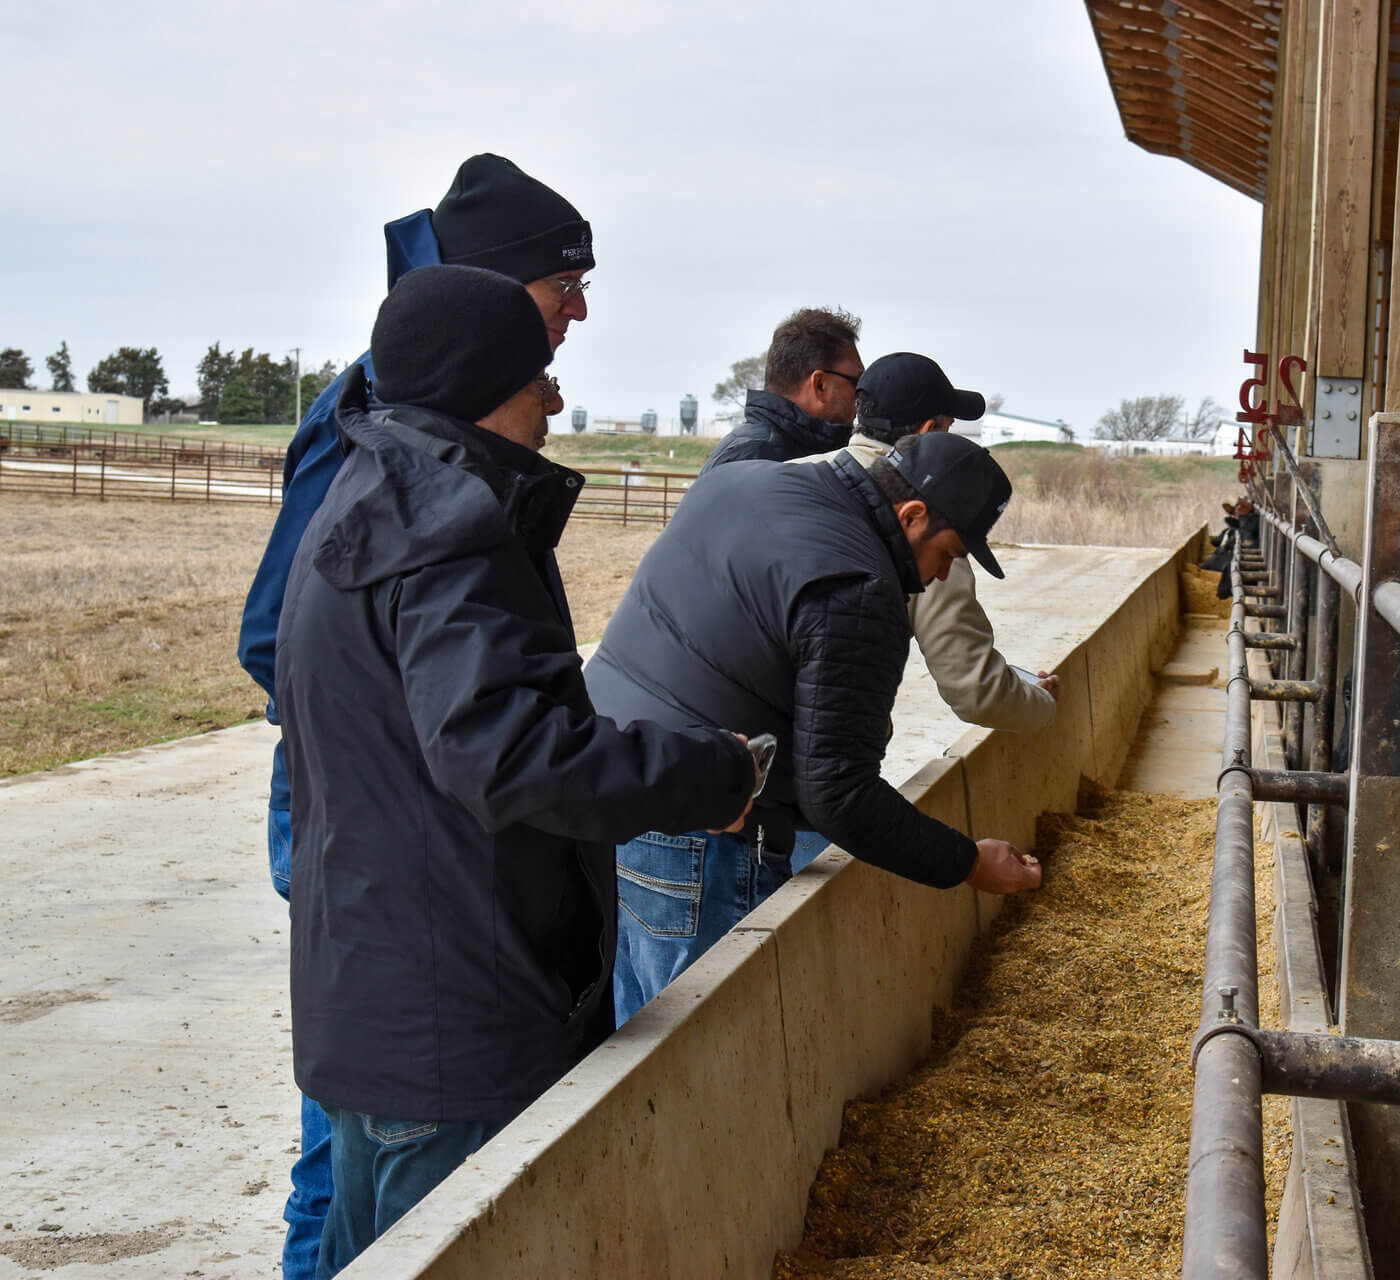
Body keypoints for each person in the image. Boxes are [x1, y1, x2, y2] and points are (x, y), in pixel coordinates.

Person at [276, 266, 756, 1278]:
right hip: (457, 1016)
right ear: (483, 379)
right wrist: (713, 777)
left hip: (374, 1002)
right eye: (538, 370)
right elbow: (513, 755)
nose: (555, 395)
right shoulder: (447, 527)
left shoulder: (360, 500)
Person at [233, 153, 594, 1280]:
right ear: (488, 288)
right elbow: (276, 629)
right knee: (369, 1135)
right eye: (562, 280)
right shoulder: (382, 418)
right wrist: (406, 729)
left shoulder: (440, 414)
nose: (578, 309)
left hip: (403, 814)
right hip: (379, 825)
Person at [585, 432, 1045, 1022]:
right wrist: (968, 862)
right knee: (697, 1032)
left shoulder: (748, 479)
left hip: (611, 770)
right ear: (912, 515)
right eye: (949, 554)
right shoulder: (860, 585)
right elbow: (840, 793)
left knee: (634, 1015)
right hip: (705, 829)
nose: (937, 576)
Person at [790, 351, 1059, 736]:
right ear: (929, 433)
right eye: (948, 428)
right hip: (815, 740)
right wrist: (1043, 705)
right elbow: (974, 687)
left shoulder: (790, 475)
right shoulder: (927, 525)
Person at [698, 306, 863, 473]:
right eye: (856, 381)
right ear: (819, 384)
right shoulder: (753, 457)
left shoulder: (781, 450)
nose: (862, 392)